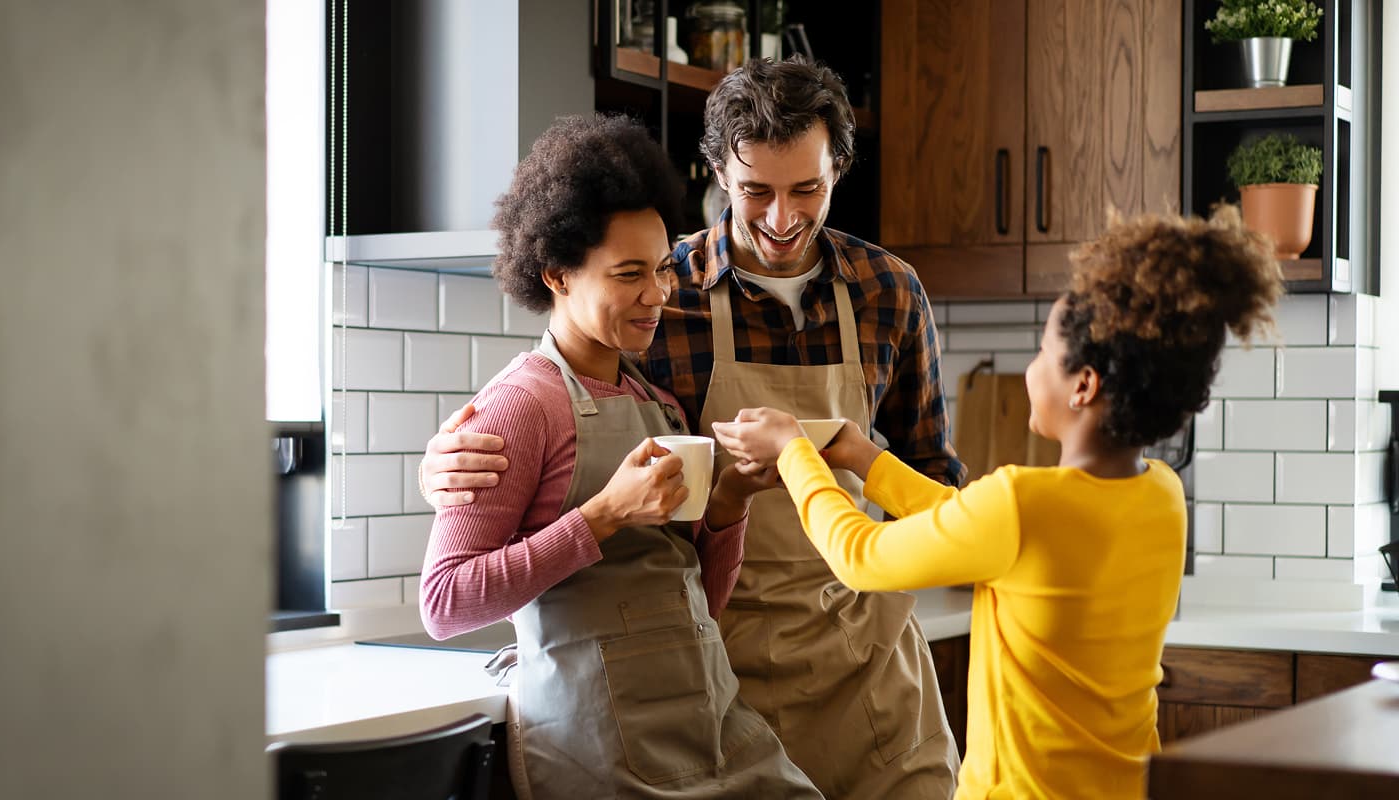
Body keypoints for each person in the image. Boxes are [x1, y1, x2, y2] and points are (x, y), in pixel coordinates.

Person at [420, 57, 962, 799]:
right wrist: (446, 468)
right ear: (715, 172)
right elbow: (552, 429)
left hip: (874, 670)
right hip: (728, 685)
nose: (781, 218)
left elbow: (934, 483)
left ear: (839, 166)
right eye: (755, 191)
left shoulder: (890, 294)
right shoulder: (656, 298)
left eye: (808, 188)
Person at [711, 206, 1284, 799]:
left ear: (1083, 384)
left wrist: (792, 452)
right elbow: (971, 523)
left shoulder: (1020, 504)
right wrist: (863, 456)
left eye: (1042, 351)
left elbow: (862, 555)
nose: (1032, 369)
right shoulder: (1162, 494)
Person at [418, 114, 821, 799]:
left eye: (663, 270)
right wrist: (602, 516)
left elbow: (692, 601)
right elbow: (445, 602)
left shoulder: (655, 400)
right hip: (599, 745)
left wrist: (729, 505)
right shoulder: (522, 405)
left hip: (708, 718)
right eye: (630, 274)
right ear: (557, 275)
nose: (657, 295)